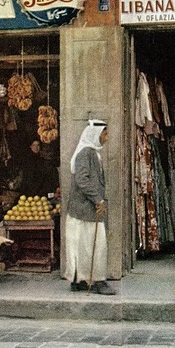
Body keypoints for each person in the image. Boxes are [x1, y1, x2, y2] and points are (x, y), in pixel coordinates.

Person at [63, 119, 115, 295]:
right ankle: (98, 281)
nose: (107, 138)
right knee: (94, 245)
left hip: (86, 209)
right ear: (95, 134)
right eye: (105, 134)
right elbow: (82, 180)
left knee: (83, 246)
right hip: (84, 209)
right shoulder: (86, 153)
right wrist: (98, 200)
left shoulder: (92, 153)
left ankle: (80, 280)